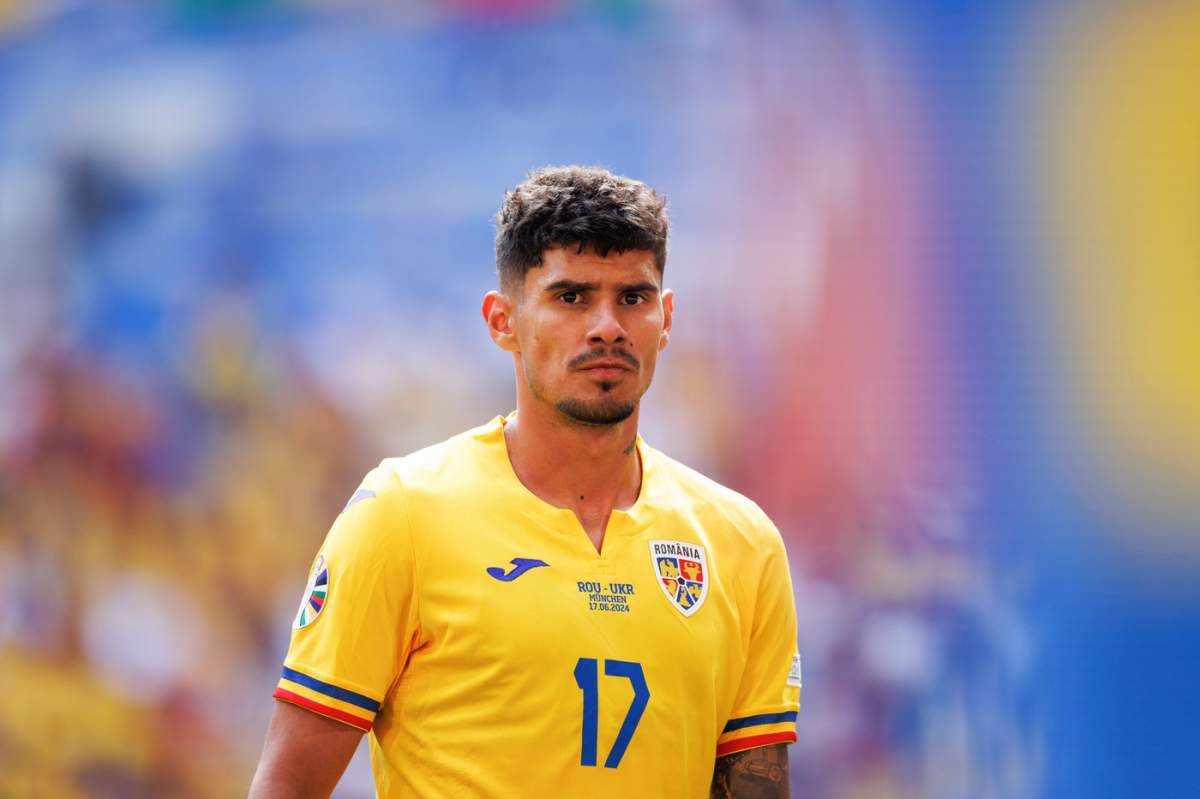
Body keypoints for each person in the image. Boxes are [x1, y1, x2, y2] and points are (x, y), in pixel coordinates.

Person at [249, 166, 802, 798]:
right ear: (502, 320)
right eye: (571, 297)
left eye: (633, 298)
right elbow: (287, 786)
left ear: (667, 317)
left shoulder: (742, 542)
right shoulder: (403, 514)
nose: (607, 326)